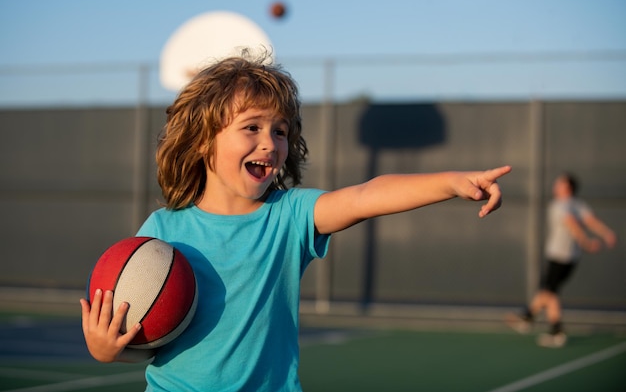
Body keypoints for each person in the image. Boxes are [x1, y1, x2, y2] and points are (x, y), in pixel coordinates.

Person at [80, 53, 512, 391]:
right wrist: (109, 350)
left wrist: (452, 182)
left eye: (280, 131)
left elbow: (365, 196)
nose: (269, 143)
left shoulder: (290, 217)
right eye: (251, 128)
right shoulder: (160, 233)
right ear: (201, 141)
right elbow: (148, 337)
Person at [506, 173, 616, 348]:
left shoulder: (561, 205)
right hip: (570, 258)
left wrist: (586, 242)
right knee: (551, 292)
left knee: (548, 292)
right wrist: (606, 233)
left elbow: (573, 224)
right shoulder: (577, 204)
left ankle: (534, 320)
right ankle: (534, 320)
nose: (555, 185)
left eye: (559, 183)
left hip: (559, 256)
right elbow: (590, 221)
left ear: (567, 187)